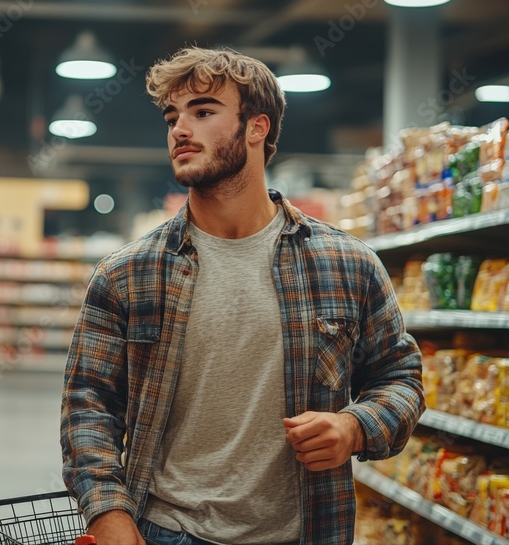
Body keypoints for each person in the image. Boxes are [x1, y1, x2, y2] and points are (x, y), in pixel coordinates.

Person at [60, 47, 424, 545]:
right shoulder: (127, 274)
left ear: (257, 128)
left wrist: (355, 427)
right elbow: (88, 407)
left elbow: (400, 377)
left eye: (203, 112)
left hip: (303, 531)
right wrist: (109, 518)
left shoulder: (347, 264)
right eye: (172, 117)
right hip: (166, 531)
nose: (179, 130)